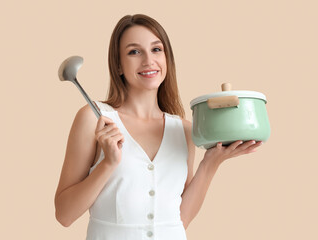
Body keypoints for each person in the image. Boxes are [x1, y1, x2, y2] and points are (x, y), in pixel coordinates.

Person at [54, 14, 262, 240]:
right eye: (134, 52)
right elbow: (64, 215)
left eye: (156, 49)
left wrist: (211, 162)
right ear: (118, 65)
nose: (148, 61)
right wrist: (108, 164)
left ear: (167, 59)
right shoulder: (93, 119)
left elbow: (179, 220)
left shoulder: (183, 130)